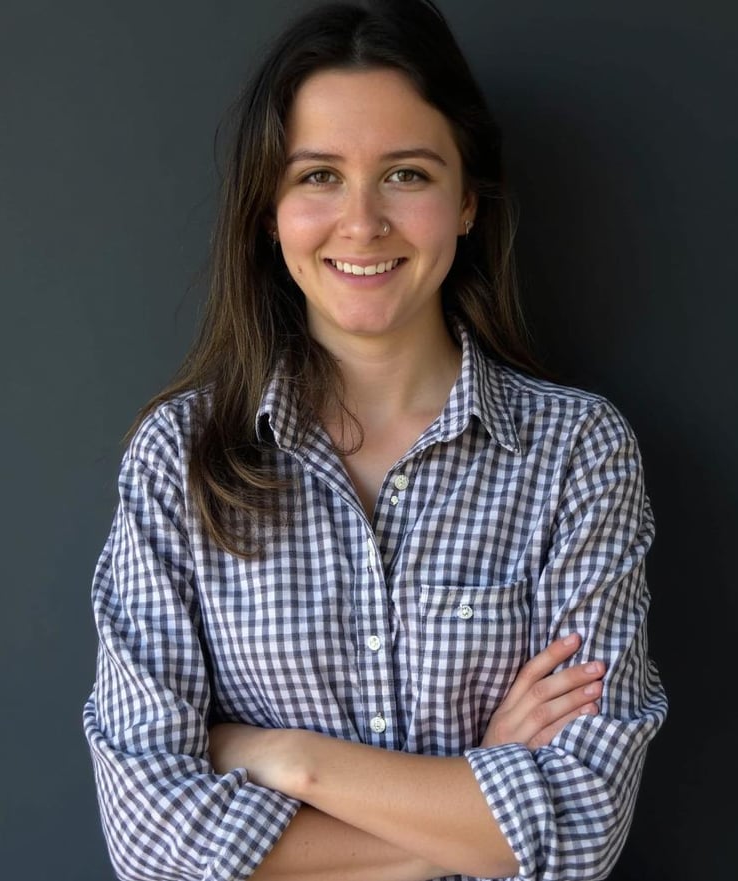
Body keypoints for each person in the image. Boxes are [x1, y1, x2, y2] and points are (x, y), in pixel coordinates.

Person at [83, 1, 667, 879]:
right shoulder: (178, 459)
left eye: (406, 174)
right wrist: (477, 802)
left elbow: (582, 831)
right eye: (318, 175)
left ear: (466, 201)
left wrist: (288, 758)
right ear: (268, 209)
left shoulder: (577, 453)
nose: (361, 223)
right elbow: (150, 843)